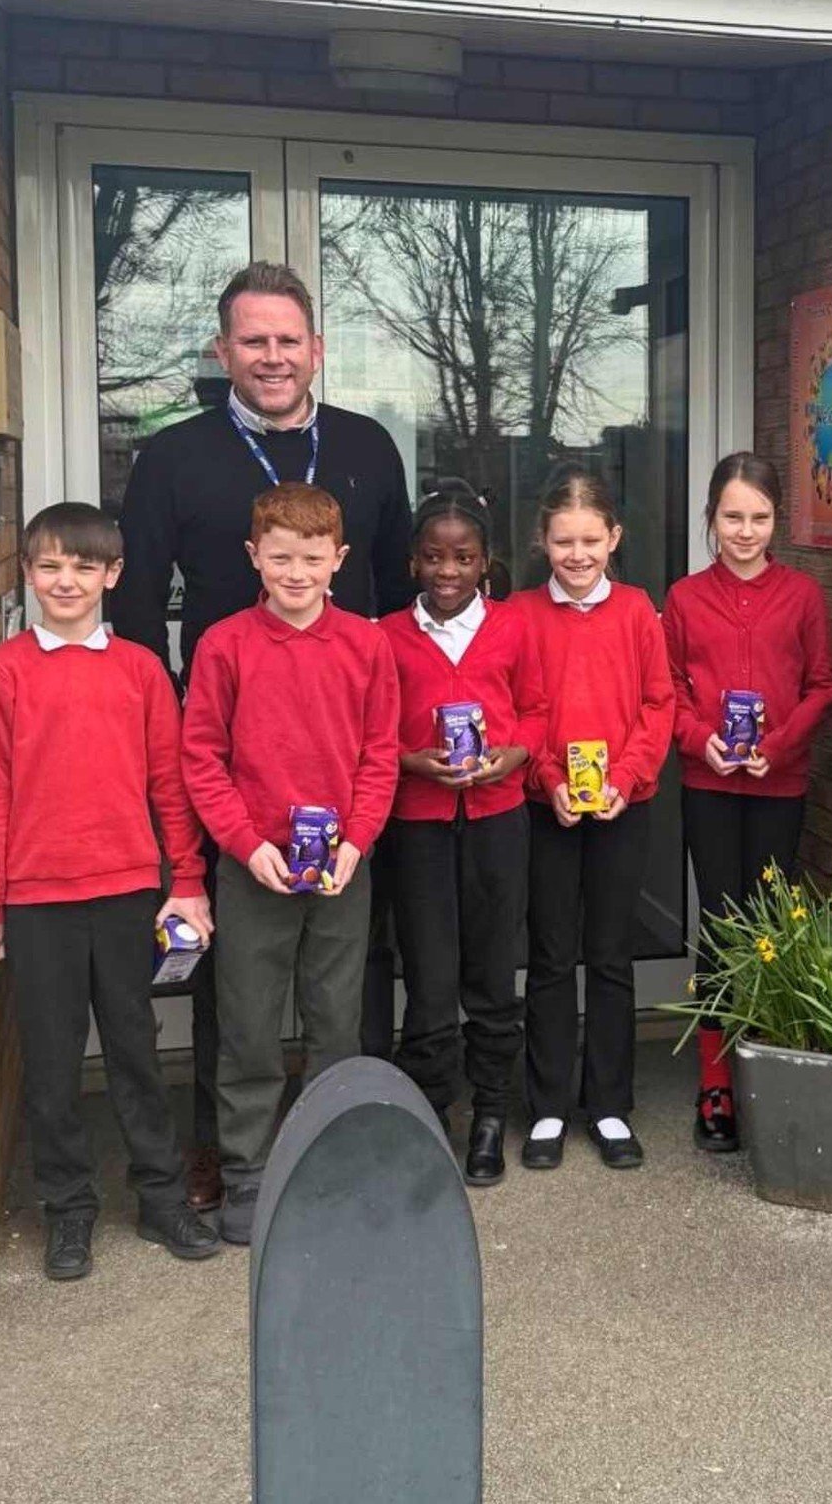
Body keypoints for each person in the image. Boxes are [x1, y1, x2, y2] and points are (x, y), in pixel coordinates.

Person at [111, 260, 413, 1209]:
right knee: (232, 986)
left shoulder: (367, 447)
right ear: (224, 351)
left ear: (314, 348)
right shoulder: (172, 457)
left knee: (346, 976)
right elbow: (129, 608)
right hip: (234, 757)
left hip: (346, 751)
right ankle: (226, 1153)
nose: (273, 357)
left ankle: (336, 1141)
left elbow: (399, 597)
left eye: (288, 340)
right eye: (254, 340)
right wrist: (162, 725)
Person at [0, 504, 220, 1280]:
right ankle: (67, 1208)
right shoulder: (5, 669)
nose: (64, 580)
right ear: (28, 576)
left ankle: (162, 1195)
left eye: (82, 566)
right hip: (38, 898)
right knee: (49, 1062)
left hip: (128, 887)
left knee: (136, 1051)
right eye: (49, 566)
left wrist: (190, 882)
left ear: (112, 575)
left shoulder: (140, 667)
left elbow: (169, 787)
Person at [180, 482, 400, 1245]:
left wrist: (357, 841)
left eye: (312, 557)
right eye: (280, 557)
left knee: (337, 1020)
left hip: (341, 868)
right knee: (247, 1021)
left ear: (339, 559)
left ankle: (330, 1160)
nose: (296, 572)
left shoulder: (368, 646)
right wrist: (246, 843)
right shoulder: (225, 645)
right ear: (254, 557)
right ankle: (246, 1168)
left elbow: (379, 757)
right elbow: (201, 758)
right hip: (254, 868)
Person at [663, 451, 832, 1152]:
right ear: (711, 517)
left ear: (776, 520)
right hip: (708, 783)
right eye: (732, 516)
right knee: (716, 926)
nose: (744, 531)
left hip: (777, 783)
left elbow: (822, 683)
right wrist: (700, 738)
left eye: (759, 517)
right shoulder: (683, 597)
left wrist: (784, 743)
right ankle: (715, 1085)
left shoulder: (799, 594)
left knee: (769, 926)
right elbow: (668, 686)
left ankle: (763, 1068)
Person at [380, 480, 546, 1187]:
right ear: (413, 561)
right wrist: (408, 760)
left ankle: (487, 1112)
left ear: (486, 563)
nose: (447, 571)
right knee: (427, 976)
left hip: (497, 819)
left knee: (490, 972)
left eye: (463, 557)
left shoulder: (514, 627)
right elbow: (371, 734)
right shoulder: (385, 635)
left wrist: (513, 754)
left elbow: (536, 712)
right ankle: (431, 1111)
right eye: (433, 557)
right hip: (417, 825)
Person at [510, 470, 675, 1173]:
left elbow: (658, 703)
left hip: (619, 805)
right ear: (541, 541)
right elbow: (519, 710)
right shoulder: (518, 613)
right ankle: (547, 1104)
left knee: (609, 955)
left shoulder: (638, 610)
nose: (576, 554)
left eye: (589, 540)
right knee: (549, 956)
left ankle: (608, 1101)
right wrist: (547, 778)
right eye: (562, 541)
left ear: (613, 538)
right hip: (544, 806)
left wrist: (625, 777)